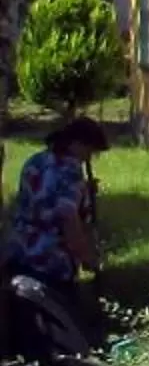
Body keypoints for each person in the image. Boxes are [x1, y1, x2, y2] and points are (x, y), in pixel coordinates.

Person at [4, 118, 105, 290]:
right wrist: (87, 257)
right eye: (90, 151)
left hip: (18, 251)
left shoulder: (35, 161)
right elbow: (67, 218)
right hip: (50, 262)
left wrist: (83, 191)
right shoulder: (70, 171)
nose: (90, 157)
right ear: (78, 143)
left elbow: (42, 198)